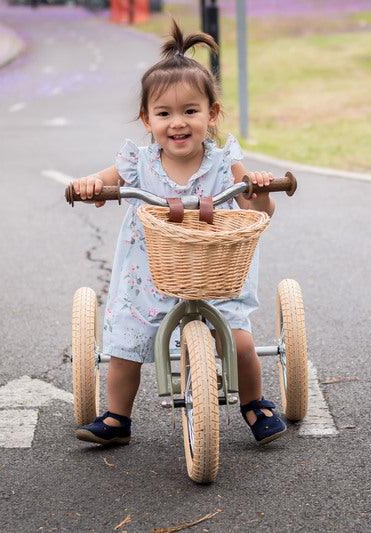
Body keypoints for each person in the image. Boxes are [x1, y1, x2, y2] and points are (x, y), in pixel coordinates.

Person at [71, 20, 287, 447]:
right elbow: (104, 182)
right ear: (146, 119)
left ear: (212, 114)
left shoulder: (224, 163)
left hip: (214, 277)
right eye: (164, 113)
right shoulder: (138, 164)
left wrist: (259, 190)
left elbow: (258, 212)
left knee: (240, 342)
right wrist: (92, 185)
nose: (178, 123)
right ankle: (117, 417)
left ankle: (254, 403)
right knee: (125, 345)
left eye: (190, 111)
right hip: (151, 276)